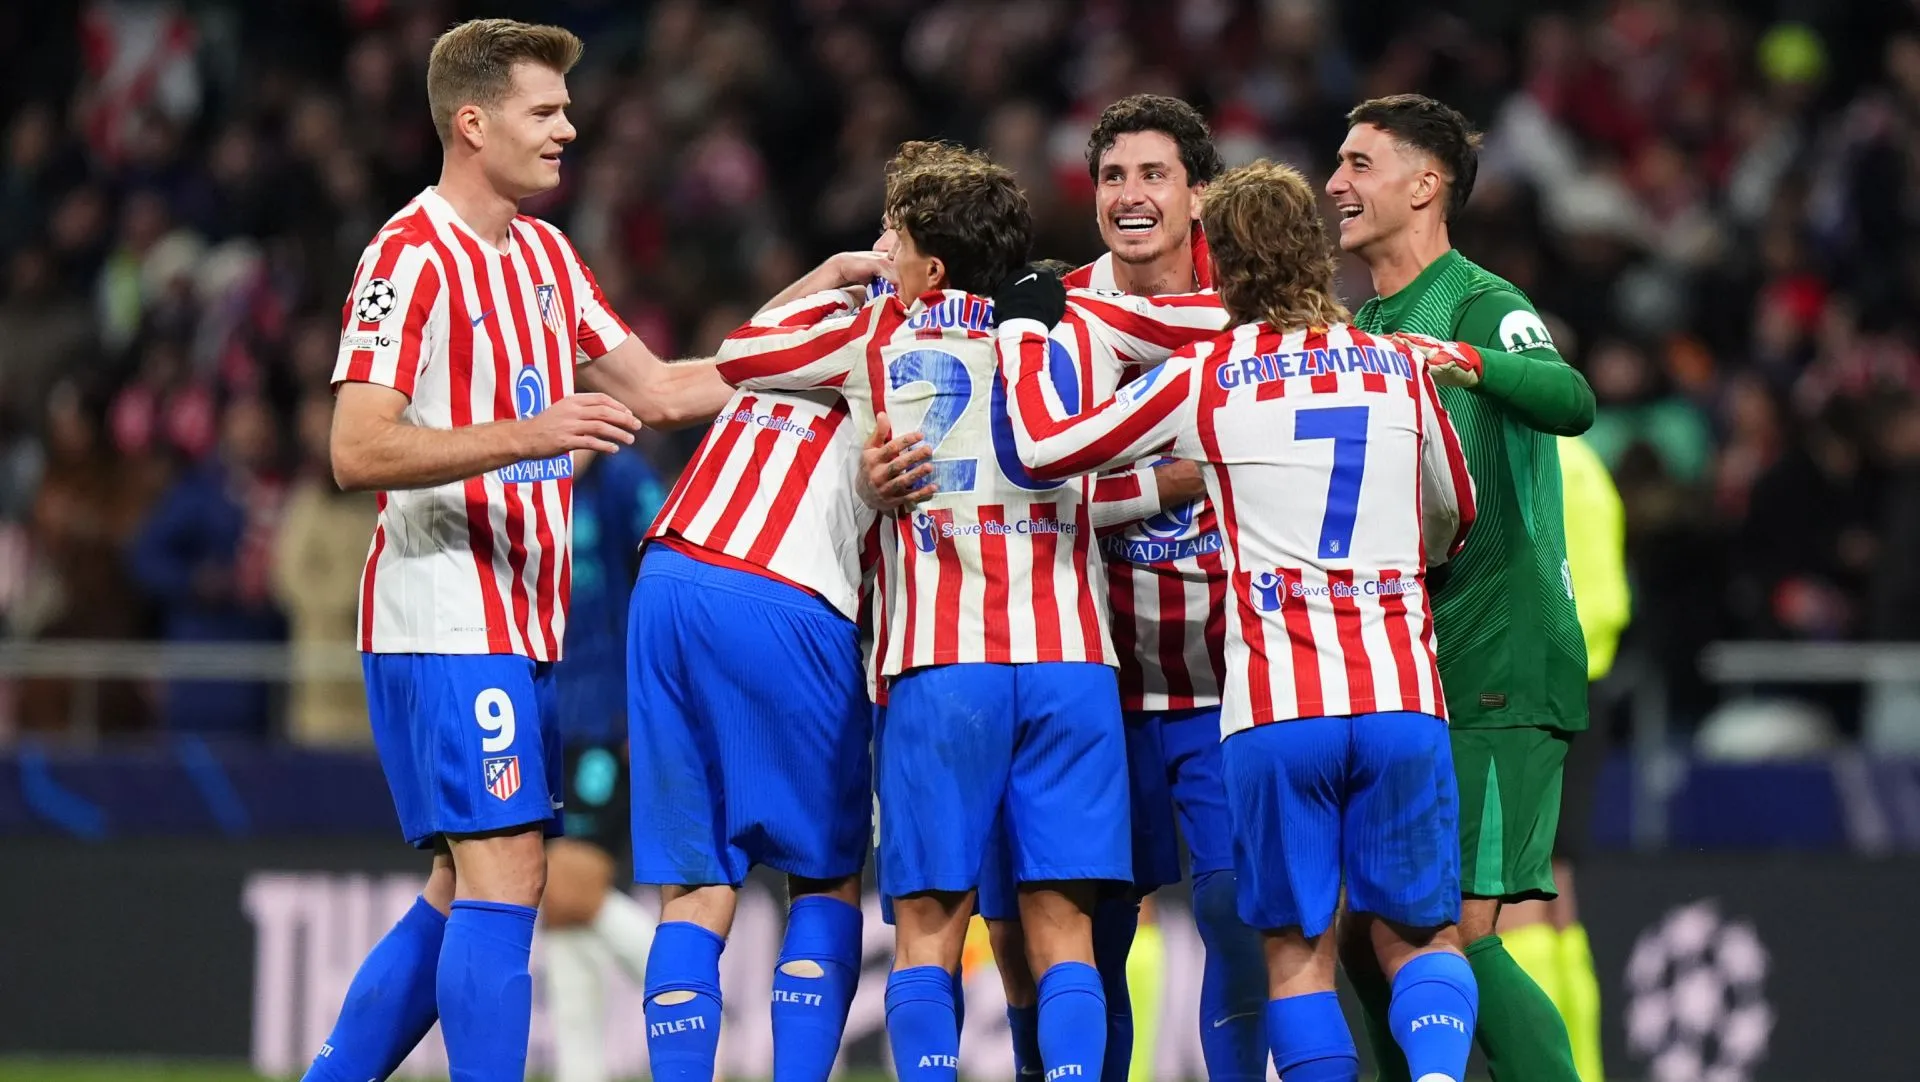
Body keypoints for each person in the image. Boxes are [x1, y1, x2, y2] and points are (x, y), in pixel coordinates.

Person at [990, 158, 1496, 1082]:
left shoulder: (1207, 374)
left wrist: (1026, 332)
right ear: (1314, 248)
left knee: (1293, 959)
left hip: (1272, 710)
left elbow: (1040, 451)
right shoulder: (1398, 366)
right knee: (1422, 938)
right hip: (1398, 695)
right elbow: (1452, 516)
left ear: (1221, 260)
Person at [304, 19, 729, 1082]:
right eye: (545, 112)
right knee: (507, 876)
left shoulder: (543, 255)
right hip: (445, 612)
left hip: (522, 623)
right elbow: (355, 446)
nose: (569, 129)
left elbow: (668, 389)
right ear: (473, 121)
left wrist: (809, 335)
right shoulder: (407, 257)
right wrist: (530, 433)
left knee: (467, 888)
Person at [714, 140, 1157, 1082]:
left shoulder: (881, 333)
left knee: (929, 931)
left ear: (933, 266)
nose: (885, 257)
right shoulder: (1081, 334)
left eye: (895, 242)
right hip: (1072, 661)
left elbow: (739, 355)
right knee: (1063, 930)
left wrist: (836, 281)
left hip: (940, 663)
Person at [867, 96, 1266, 1082]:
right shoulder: (1052, 312)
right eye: (1113, 177)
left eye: (1153, 175)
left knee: (1235, 915)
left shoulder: (1247, 316)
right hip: (1103, 670)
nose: (1131, 195)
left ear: (1198, 193)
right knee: (1073, 931)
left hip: (1225, 674)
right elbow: (1026, 470)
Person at [1326, 93, 1596, 1082]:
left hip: (1498, 656)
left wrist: (1466, 361)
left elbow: (1571, 396)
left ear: (1425, 183)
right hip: (1410, 666)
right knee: (1364, 931)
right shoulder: (1362, 323)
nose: (1335, 183)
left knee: (1455, 929)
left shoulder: (1479, 300)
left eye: (1359, 163)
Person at [627, 235, 891, 1082]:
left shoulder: (794, 322)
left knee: (696, 890)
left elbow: (738, 345)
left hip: (667, 573)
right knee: (823, 880)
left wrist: (831, 273)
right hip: (787, 588)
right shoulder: (929, 345)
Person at [1495, 433, 1630, 1082]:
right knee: (1558, 888)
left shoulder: (1522, 462)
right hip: (1589, 687)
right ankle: (1585, 1069)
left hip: (1530, 693)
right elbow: (1610, 595)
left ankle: (1542, 1072)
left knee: (1519, 889)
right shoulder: (1591, 467)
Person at [542, 448, 667, 1082]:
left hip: (609, 717)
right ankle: (579, 1071)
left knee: (568, 886)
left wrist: (645, 704)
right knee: (556, 899)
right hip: (549, 712)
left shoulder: (624, 480)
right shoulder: (534, 475)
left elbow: (664, 576)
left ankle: (694, 1007)